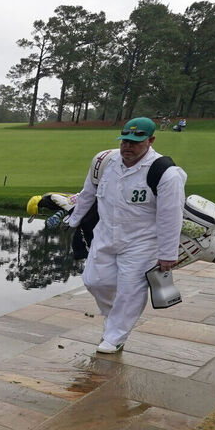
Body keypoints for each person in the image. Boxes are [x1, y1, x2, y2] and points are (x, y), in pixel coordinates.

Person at [65, 116, 186, 354]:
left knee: (130, 290)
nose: (127, 146)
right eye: (124, 141)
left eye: (135, 142)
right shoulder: (103, 162)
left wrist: (168, 254)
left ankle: (115, 337)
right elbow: (88, 193)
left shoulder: (166, 174)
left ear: (151, 140)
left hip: (141, 242)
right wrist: (73, 220)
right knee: (94, 281)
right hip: (105, 234)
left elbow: (171, 216)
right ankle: (115, 318)